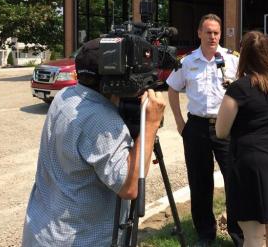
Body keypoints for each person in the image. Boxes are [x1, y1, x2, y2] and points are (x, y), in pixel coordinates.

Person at [22, 38, 165, 247]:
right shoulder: (99, 119)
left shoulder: (66, 95)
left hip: (43, 231)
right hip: (79, 239)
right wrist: (150, 123)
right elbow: (129, 187)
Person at [215, 31, 268, 247]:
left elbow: (221, 131)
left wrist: (232, 94)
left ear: (243, 55)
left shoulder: (238, 89)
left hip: (251, 162)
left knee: (253, 234)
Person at [167, 14, 243, 247]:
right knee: (199, 183)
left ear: (220, 35)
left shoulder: (232, 60)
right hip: (197, 127)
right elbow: (172, 88)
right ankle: (205, 233)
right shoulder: (187, 62)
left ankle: (238, 233)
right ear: (199, 33)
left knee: (235, 180)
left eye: (216, 33)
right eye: (208, 32)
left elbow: (244, 90)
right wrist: (180, 122)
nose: (212, 36)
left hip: (226, 127)